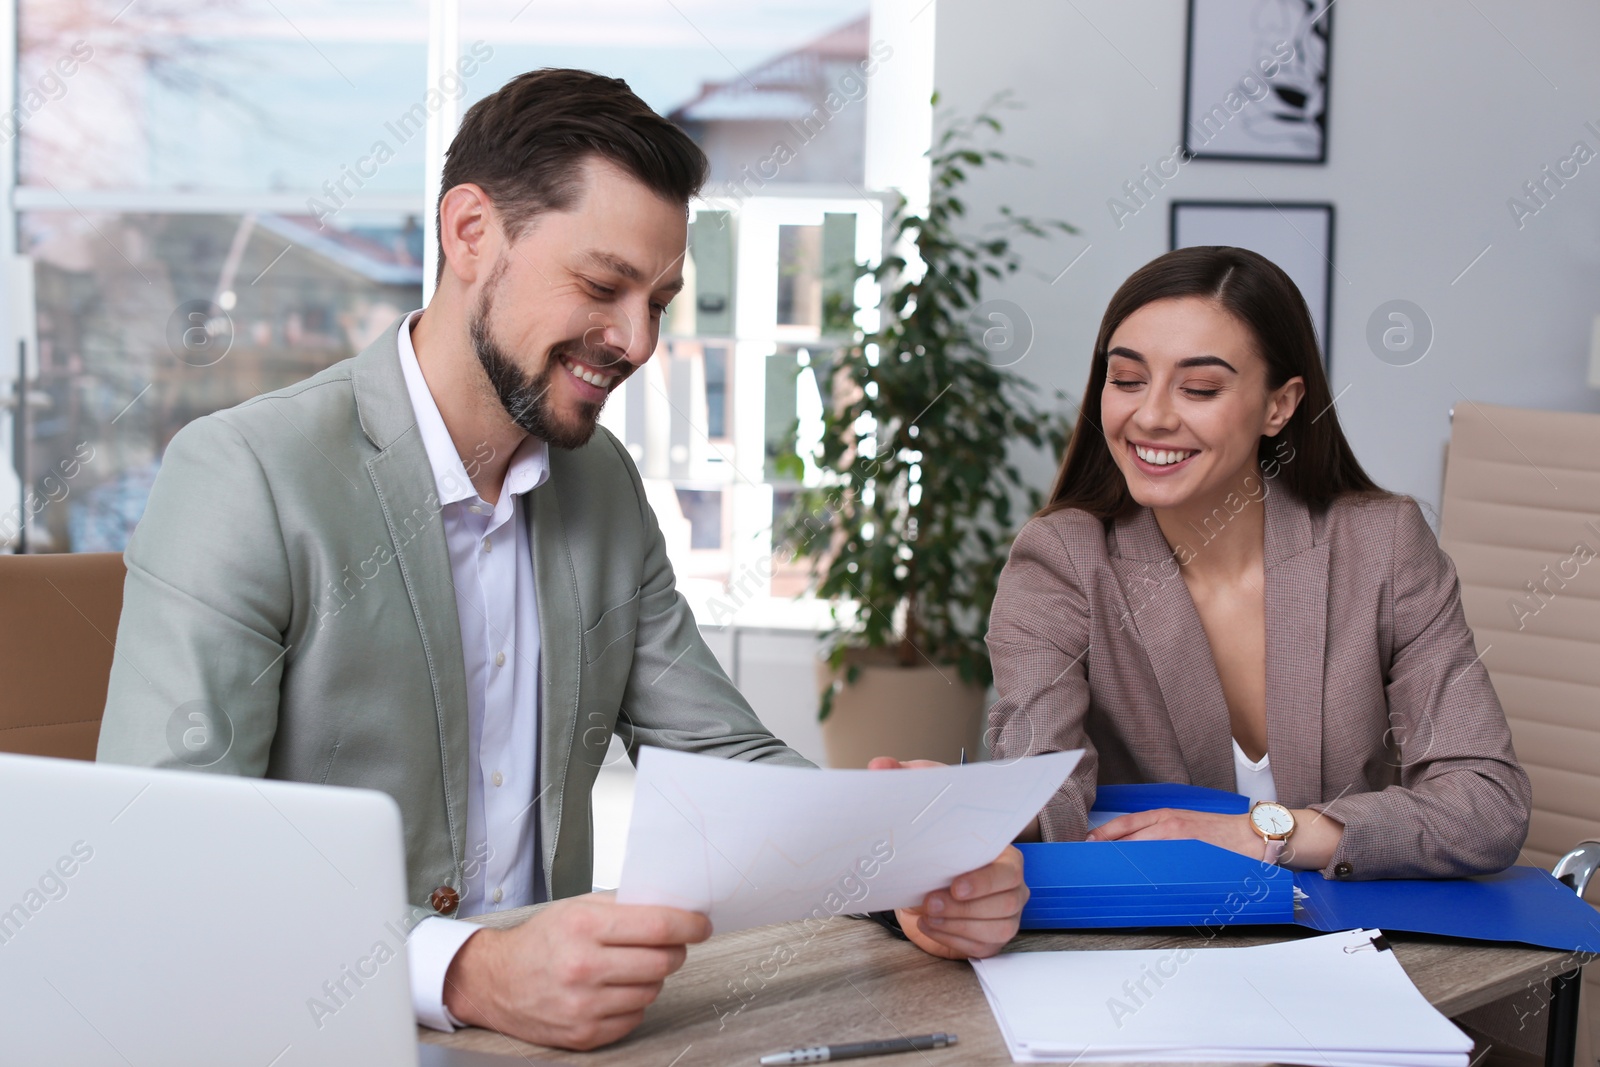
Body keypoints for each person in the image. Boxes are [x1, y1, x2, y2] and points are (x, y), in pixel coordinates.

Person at [95, 68, 1027, 1051]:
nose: (637, 339)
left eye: (659, 298)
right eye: (601, 284)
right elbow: (163, 854)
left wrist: (911, 865)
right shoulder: (248, 472)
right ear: (469, 235)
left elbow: (721, 754)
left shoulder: (600, 483)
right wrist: (466, 967)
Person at [986, 245, 1531, 880]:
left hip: (1357, 940)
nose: (1152, 416)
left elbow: (1488, 806)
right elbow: (1044, 791)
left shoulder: (1382, 547)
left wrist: (1268, 834)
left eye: (1199, 387)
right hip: (1152, 938)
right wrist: (946, 809)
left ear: (1279, 405)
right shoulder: (1062, 562)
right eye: (1127, 379)